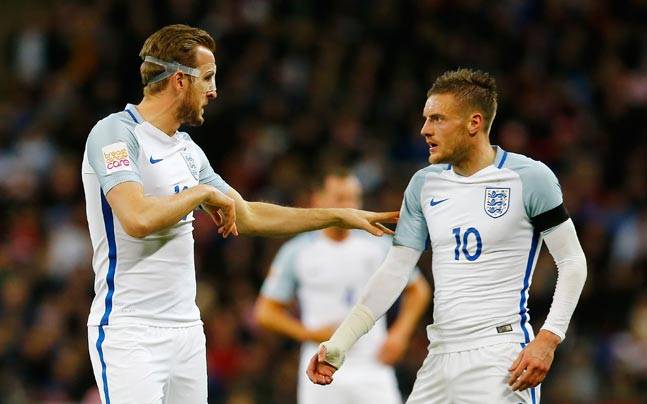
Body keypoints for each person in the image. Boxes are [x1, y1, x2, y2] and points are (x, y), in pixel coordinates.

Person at [81, 24, 397, 404]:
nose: (214, 91)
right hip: (129, 331)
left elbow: (248, 216)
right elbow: (137, 218)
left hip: (186, 331)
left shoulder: (188, 151)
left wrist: (339, 216)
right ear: (180, 80)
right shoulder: (114, 133)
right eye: (208, 78)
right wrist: (200, 192)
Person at [307, 68, 588, 403]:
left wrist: (548, 337)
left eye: (438, 119)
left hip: (498, 355)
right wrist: (340, 343)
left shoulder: (529, 178)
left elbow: (572, 261)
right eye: (426, 119)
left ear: (474, 123)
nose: (425, 130)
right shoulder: (423, 184)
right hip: (439, 355)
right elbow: (394, 272)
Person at [255, 169, 431, 404]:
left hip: (373, 365)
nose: (350, 206)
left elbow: (418, 289)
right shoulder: (297, 251)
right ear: (317, 199)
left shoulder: (379, 244)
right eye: (340, 198)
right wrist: (309, 334)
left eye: (354, 198)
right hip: (319, 365)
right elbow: (266, 311)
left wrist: (400, 333)